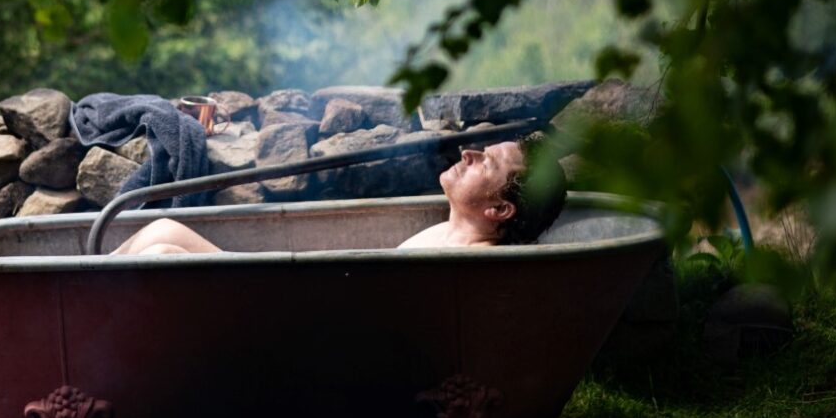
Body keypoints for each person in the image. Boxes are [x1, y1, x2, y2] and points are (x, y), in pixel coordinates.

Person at [110, 137, 566, 255]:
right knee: (163, 230)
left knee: (165, 247)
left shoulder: (471, 259)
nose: (467, 153)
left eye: (485, 161)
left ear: (499, 208)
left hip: (303, 331)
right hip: (307, 315)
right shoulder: (452, 235)